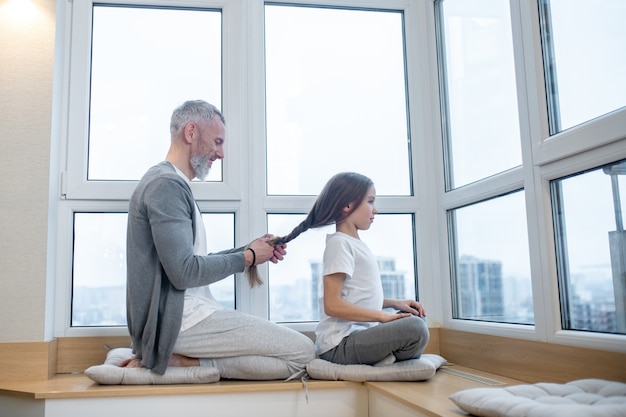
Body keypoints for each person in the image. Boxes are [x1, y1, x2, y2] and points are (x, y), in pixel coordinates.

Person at [124, 99, 316, 379]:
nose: (221, 153)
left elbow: (189, 263)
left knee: (292, 356)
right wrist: (248, 258)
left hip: (184, 319)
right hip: (179, 323)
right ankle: (178, 360)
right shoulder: (165, 185)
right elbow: (184, 273)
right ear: (191, 133)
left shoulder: (171, 183)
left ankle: (187, 360)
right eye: (217, 142)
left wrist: (249, 250)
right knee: (303, 353)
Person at [268, 172, 430, 366]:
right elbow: (333, 305)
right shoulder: (340, 244)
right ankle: (386, 359)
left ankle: (386, 357)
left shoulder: (352, 243)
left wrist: (394, 304)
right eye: (370, 201)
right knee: (415, 328)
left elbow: (356, 297)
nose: (375, 210)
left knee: (414, 318)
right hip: (338, 346)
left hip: (357, 337)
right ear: (347, 206)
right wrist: (382, 316)